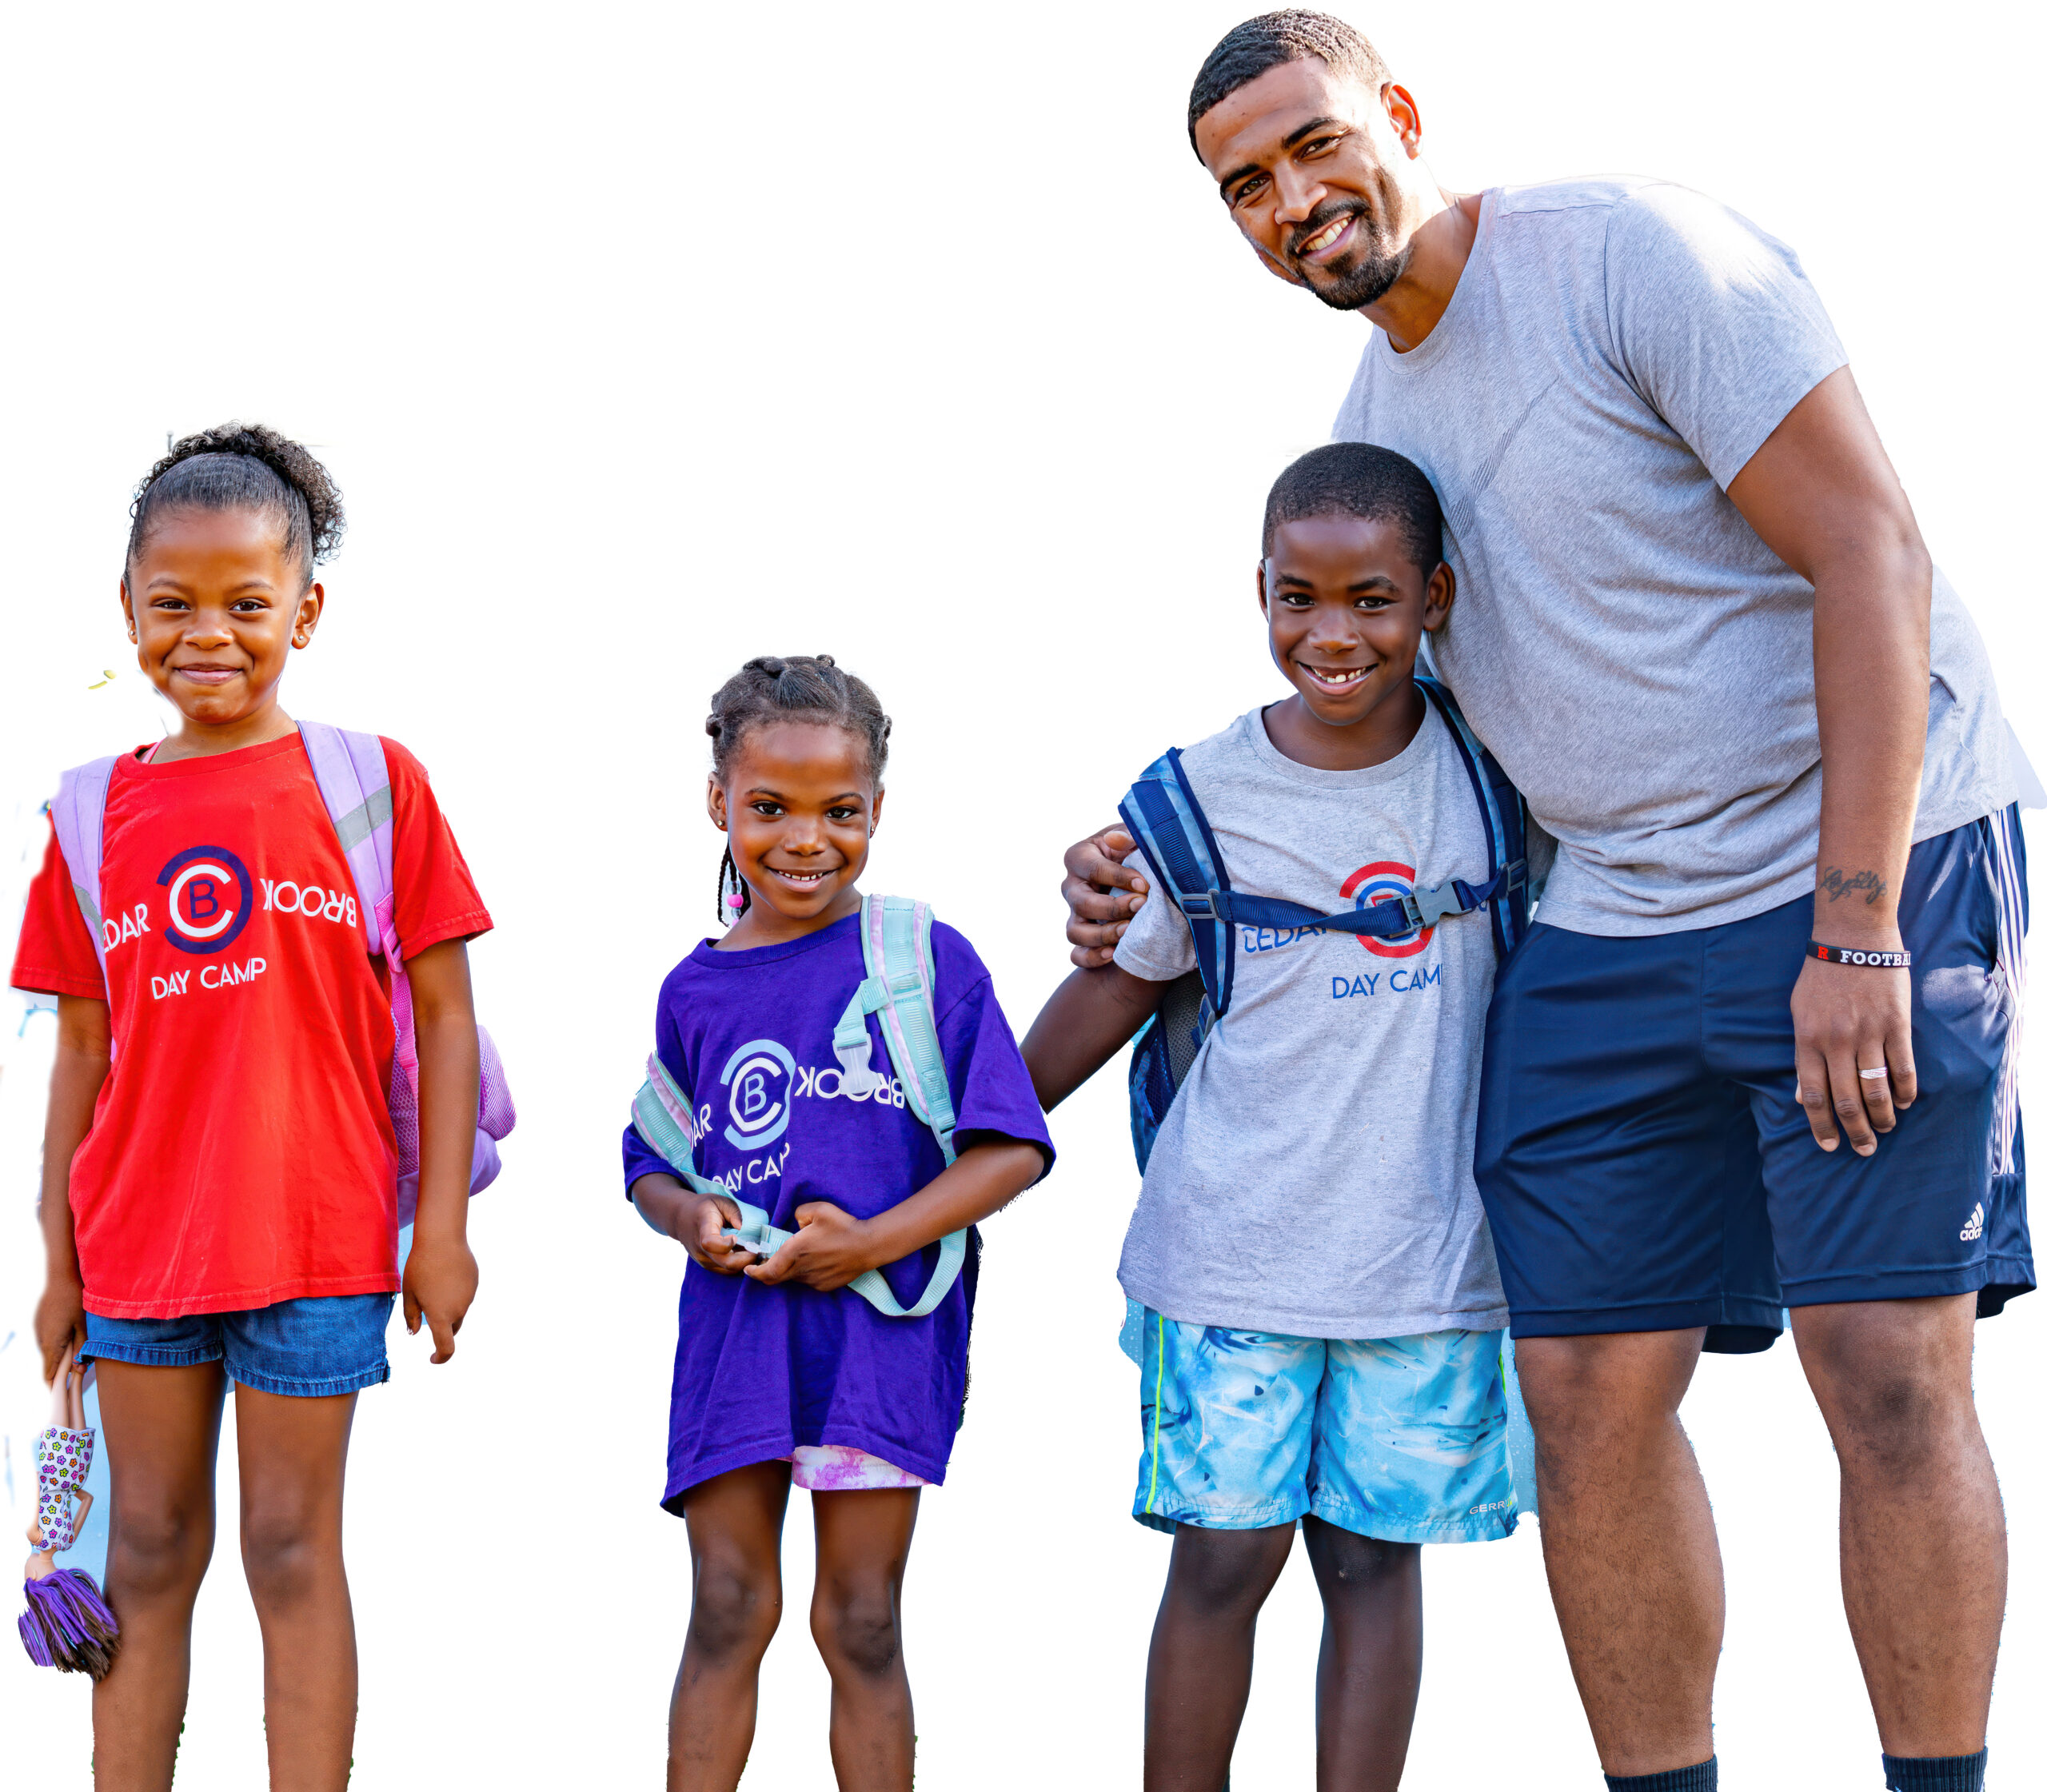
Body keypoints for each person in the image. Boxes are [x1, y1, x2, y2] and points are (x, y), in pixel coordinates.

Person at [1059, 15, 2027, 1792]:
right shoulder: (1373, 443)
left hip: (1857, 855)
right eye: (1243, 185)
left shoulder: (1629, 259)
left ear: (1400, 115)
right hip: (1614, 911)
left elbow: (1868, 548)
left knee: (1882, 1368)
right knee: (1577, 1396)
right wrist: (1156, 855)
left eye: (1313, 144)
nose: (1291, 200)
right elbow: (1368, 731)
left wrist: (1856, 925)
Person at [1024, 442, 1526, 1792]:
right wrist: (958, 1137)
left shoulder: (1496, 773)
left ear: (1435, 598)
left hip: (1424, 1265)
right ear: (1259, 590)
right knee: (1223, 1559)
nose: (1332, 633)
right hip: (1230, 1258)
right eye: (1297, 597)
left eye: (1372, 599)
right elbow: (1115, 989)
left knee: (1372, 1564)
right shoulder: (1199, 796)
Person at [14, 425, 492, 1791]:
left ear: (306, 609)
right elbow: (80, 1049)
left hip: (319, 1239)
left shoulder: (373, 784)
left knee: (292, 1550)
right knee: (146, 1552)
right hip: (138, 1251)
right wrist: (58, 1263)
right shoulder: (92, 814)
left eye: (246, 602)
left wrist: (441, 1231)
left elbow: (445, 1013)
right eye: (172, 602)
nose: (208, 633)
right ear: (127, 610)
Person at [623, 654, 1051, 1792]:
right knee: (727, 1605)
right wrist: (691, 1217)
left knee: (860, 1617)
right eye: (770, 807)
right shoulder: (694, 989)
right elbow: (650, 1164)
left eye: (840, 811)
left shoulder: (924, 959)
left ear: (877, 811)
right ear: (718, 800)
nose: (805, 839)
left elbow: (1012, 1148)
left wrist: (871, 1242)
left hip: (877, 1343)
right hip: (738, 1346)